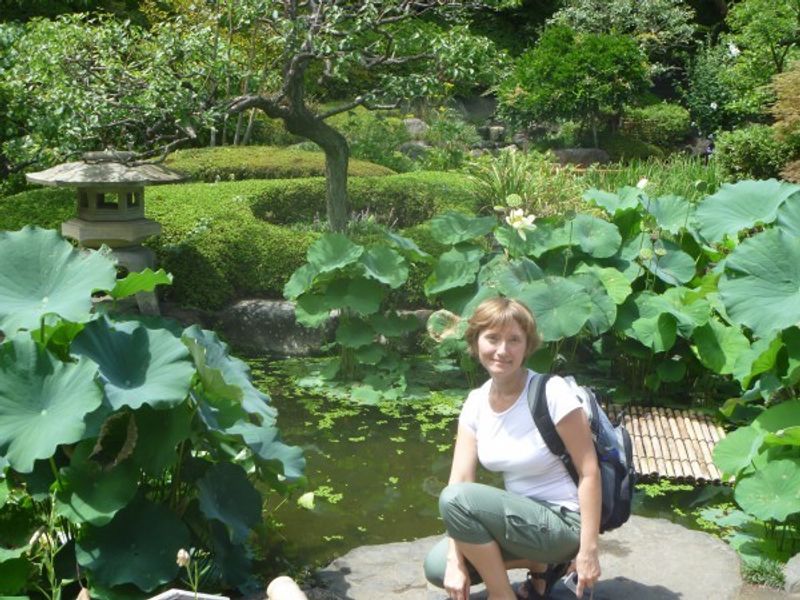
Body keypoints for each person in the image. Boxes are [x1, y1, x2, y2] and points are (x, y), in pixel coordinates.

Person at [423, 297, 601, 600]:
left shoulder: (552, 392)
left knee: (455, 499)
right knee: (438, 566)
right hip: (521, 522)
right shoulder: (476, 402)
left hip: (563, 523)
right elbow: (461, 480)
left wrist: (588, 550)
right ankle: (540, 566)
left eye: (514, 340)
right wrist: (456, 559)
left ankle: (502, 595)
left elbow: (589, 472)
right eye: (492, 338)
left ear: (527, 346)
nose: (502, 350)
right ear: (476, 340)